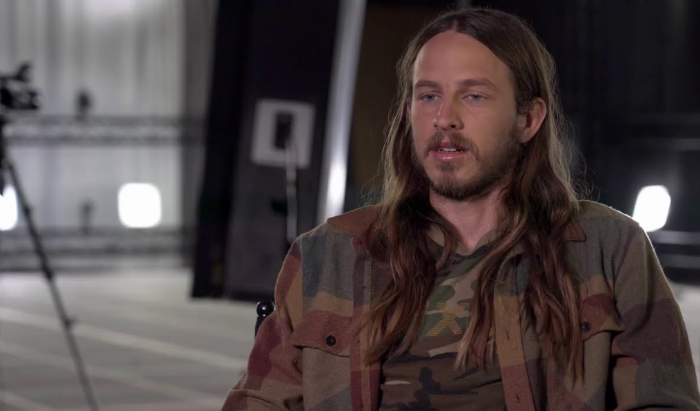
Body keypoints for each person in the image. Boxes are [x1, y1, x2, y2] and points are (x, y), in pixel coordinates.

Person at [222, 8, 700, 411]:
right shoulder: (329, 255)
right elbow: (260, 401)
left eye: (473, 96)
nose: (444, 118)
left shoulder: (609, 248)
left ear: (528, 119)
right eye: (428, 95)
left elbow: (663, 402)